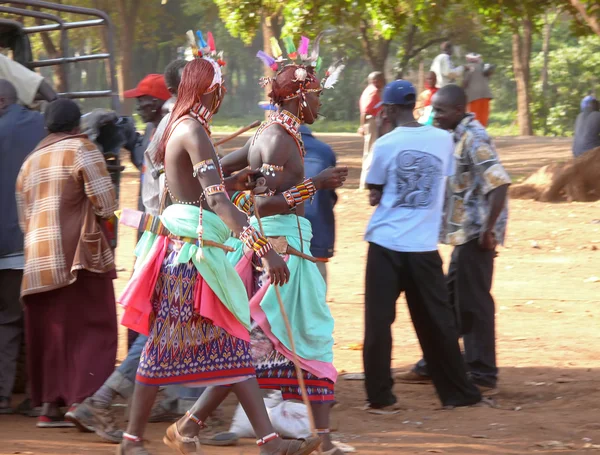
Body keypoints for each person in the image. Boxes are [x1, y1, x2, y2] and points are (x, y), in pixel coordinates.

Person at [117, 44, 320, 455]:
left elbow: (200, 192)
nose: (222, 94)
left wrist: (241, 181)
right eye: (219, 87)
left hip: (194, 251)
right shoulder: (191, 130)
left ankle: (267, 442)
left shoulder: (187, 128)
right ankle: (131, 441)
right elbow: (214, 203)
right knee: (162, 350)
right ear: (207, 90)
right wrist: (263, 249)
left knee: (232, 343)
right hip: (190, 258)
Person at [182, 48, 348, 455]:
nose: (321, 104)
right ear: (298, 96)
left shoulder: (272, 133)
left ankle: (191, 424)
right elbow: (264, 204)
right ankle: (321, 442)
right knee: (309, 336)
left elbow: (217, 171)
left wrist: (234, 183)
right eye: (317, 95)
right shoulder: (275, 138)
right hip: (280, 250)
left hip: (280, 245)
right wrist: (318, 184)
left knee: (261, 345)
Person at [66, 60, 198, 444]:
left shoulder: (159, 133)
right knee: (161, 326)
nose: (139, 106)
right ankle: (109, 400)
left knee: (173, 323)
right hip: (169, 238)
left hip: (161, 237)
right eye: (138, 100)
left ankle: (181, 401)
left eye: (145, 99)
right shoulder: (167, 133)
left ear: (163, 100)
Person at [362, 80, 482, 413]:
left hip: (385, 243)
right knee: (437, 322)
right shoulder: (444, 139)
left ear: (386, 110)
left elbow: (375, 192)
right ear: (416, 104)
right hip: (423, 247)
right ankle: (458, 393)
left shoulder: (385, 144)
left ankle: (380, 396)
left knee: (378, 323)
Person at [397, 84, 511, 395]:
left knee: (473, 303)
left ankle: (482, 373)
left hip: (477, 234)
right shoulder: (455, 135)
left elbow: (499, 183)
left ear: (458, 111)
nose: (435, 115)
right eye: (433, 109)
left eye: (441, 110)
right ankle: (434, 363)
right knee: (446, 302)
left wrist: (489, 229)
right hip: (464, 233)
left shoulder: (474, 138)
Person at [15, 99, 118, 428]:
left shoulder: (29, 163)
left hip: (37, 264)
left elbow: (23, 220)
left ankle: (49, 407)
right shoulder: (81, 149)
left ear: (46, 127)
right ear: (78, 126)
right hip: (78, 259)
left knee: (52, 335)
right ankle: (79, 400)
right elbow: (105, 203)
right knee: (92, 329)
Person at [0, 80, 46, 414]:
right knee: (28, 320)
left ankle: (2, 395)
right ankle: (38, 396)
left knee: (7, 323)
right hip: (31, 244)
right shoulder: (39, 124)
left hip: (10, 246)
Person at [123, 74, 171, 214]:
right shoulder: (152, 128)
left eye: (140, 101)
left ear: (155, 103)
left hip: (165, 214)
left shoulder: (172, 134)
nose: (137, 108)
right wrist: (130, 139)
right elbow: (145, 164)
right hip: (147, 209)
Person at [301, 124, 338, 284]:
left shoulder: (265, 145)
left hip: (277, 243)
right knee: (315, 301)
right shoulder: (324, 151)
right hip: (317, 237)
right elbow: (330, 197)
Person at [358, 72, 385, 189]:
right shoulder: (373, 92)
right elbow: (366, 111)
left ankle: (366, 182)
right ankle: (365, 183)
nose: (383, 82)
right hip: (372, 122)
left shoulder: (368, 90)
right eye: (382, 80)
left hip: (370, 122)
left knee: (369, 151)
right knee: (371, 151)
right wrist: (362, 125)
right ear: (376, 80)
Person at [463, 53, 493, 127]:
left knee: (474, 118)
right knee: (483, 117)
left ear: (469, 59)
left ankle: (475, 135)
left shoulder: (468, 67)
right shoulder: (484, 67)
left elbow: (465, 82)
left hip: (474, 97)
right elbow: (488, 79)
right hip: (486, 96)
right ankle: (482, 134)